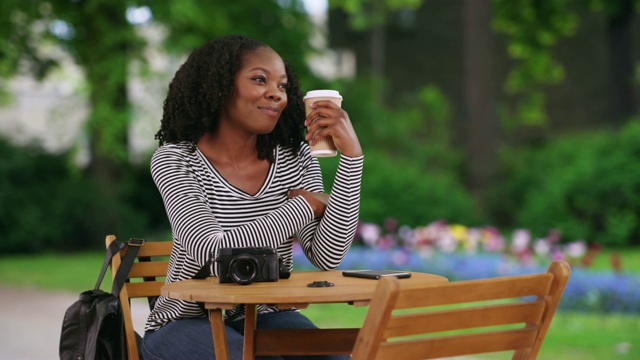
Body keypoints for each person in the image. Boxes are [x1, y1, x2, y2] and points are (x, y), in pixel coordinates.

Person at [142, 34, 363, 360]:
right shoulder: (176, 160)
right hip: (185, 321)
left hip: (265, 315)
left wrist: (352, 159)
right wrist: (304, 206)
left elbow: (327, 256)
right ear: (220, 86)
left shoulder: (296, 157)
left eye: (283, 85)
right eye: (260, 79)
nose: (277, 93)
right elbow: (210, 249)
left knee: (339, 357)